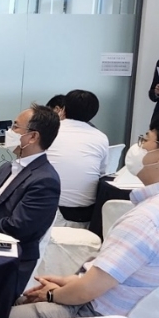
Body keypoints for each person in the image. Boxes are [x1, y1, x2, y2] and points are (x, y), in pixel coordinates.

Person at [9, 113, 159, 318]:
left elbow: (86, 292)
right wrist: (70, 282)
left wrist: (51, 294)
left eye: (145, 140)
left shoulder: (149, 219)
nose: (139, 148)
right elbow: (118, 275)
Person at [0, 105, 62, 294]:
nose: (8, 132)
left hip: (9, 258)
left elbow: (18, 227)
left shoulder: (45, 180)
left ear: (32, 137)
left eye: (15, 127)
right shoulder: (7, 168)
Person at [47, 90, 110, 227]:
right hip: (86, 216)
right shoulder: (101, 137)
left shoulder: (50, 130)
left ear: (63, 109)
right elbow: (101, 173)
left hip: (49, 211)